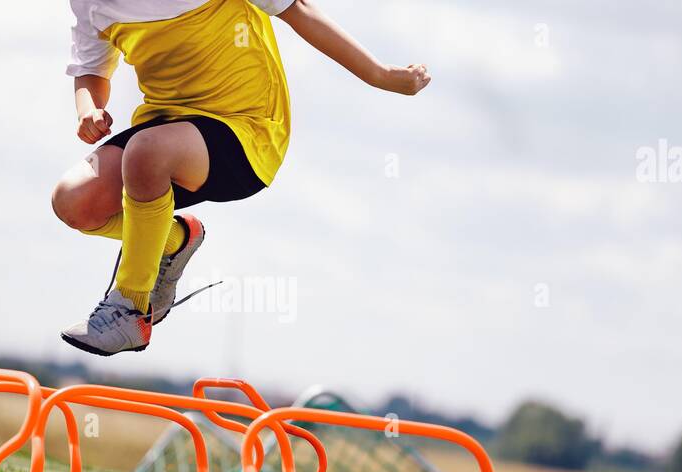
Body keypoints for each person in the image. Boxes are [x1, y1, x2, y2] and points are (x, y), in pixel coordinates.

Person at [53, 0, 430, 356]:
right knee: (73, 200)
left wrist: (382, 76)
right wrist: (89, 110)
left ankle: (130, 310)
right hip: (166, 128)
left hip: (247, 131)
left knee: (146, 151)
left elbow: (298, 11)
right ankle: (175, 239)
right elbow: (91, 69)